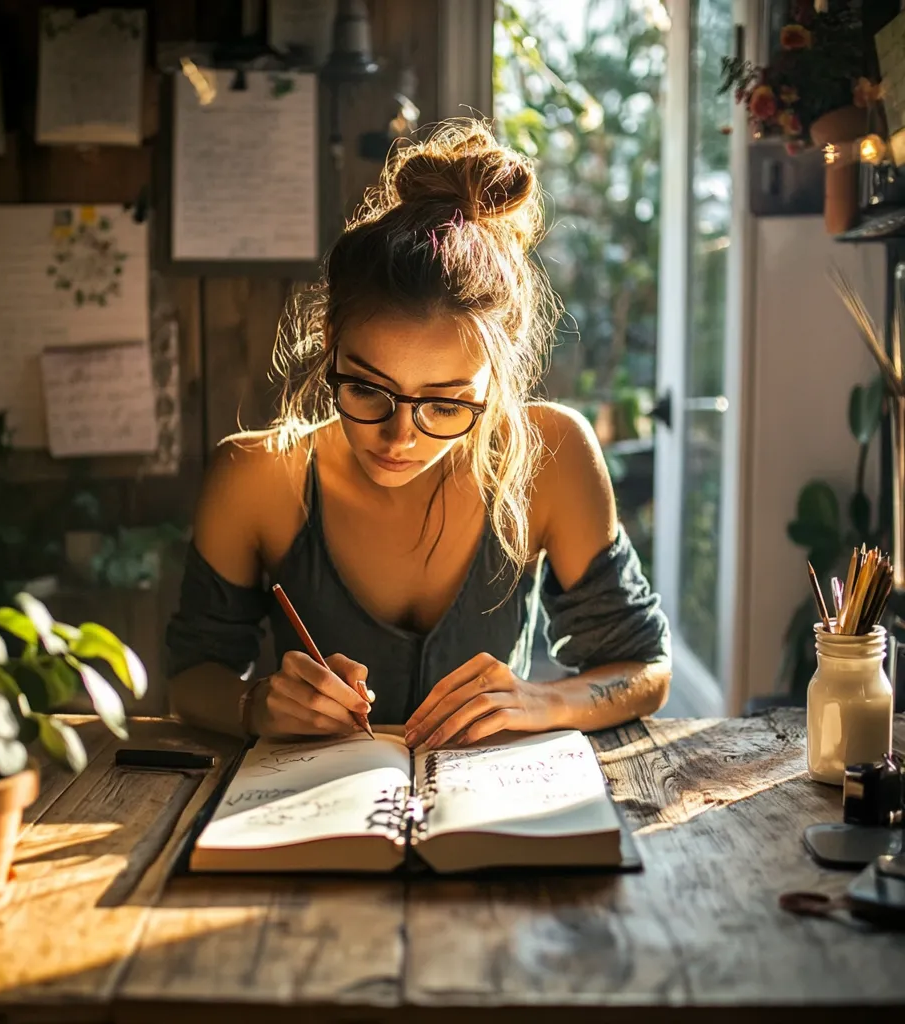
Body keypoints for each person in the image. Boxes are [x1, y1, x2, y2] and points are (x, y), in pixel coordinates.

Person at [166, 119, 670, 750]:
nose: (399, 436)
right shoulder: (258, 476)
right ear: (330, 346)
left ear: (500, 368)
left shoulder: (553, 455)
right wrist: (254, 702)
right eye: (368, 391)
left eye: (447, 404)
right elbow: (191, 676)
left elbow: (645, 668)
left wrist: (543, 701)